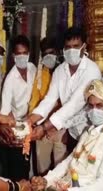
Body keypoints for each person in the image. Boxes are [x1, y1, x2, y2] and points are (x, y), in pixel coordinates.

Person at [31, 80, 103, 191]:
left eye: (99, 106)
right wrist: (46, 180)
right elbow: (69, 162)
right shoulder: (89, 131)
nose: (94, 110)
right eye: (91, 106)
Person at [27, 27, 101, 150]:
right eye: (68, 47)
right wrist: (30, 120)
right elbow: (49, 100)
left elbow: (74, 104)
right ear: (63, 49)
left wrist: (44, 127)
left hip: (90, 131)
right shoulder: (59, 71)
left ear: (84, 47)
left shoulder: (92, 70)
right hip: (72, 132)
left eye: (76, 46)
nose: (72, 50)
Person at [0, 35, 37, 180]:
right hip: (16, 126)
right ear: (13, 55)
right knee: (17, 171)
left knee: (28, 165)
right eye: (18, 54)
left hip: (31, 122)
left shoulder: (33, 69)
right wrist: (17, 131)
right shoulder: (10, 79)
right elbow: (5, 110)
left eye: (25, 53)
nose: (22, 57)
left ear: (29, 54)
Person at [28, 37, 67, 175]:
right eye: (45, 54)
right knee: (41, 169)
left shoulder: (66, 72)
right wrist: (34, 123)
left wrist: (53, 125)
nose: (48, 57)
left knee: (61, 169)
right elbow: (35, 101)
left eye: (51, 52)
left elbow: (68, 105)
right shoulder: (40, 74)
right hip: (42, 127)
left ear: (58, 52)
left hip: (62, 128)